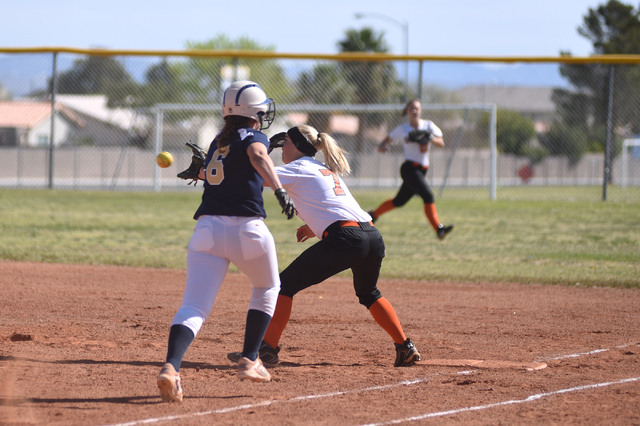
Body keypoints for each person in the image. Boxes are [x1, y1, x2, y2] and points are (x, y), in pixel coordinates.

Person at [227, 124, 420, 368]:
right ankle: (405, 346)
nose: (281, 147)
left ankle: (267, 349)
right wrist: (313, 227)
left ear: (297, 146)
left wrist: (210, 171)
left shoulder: (298, 167)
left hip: (348, 239)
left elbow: (254, 176)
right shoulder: (323, 169)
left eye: (285, 141)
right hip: (371, 236)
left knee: (284, 285)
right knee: (368, 292)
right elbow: (332, 205)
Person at [156, 81, 296, 403]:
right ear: (254, 113)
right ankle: (250, 358)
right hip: (247, 231)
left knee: (194, 306)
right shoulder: (255, 139)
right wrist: (279, 189)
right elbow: (257, 155)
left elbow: (228, 167)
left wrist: (202, 172)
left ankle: (171, 368)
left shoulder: (219, 141)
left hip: (207, 231)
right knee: (267, 288)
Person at [368, 99, 454, 240]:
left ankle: (372, 215)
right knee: (428, 196)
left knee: (399, 201)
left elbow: (441, 143)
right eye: (412, 108)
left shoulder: (428, 126)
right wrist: (382, 146)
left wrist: (430, 137)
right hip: (409, 169)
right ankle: (439, 229)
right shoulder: (403, 129)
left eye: (417, 108)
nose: (414, 111)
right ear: (407, 111)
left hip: (422, 170)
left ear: (421, 110)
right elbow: (386, 140)